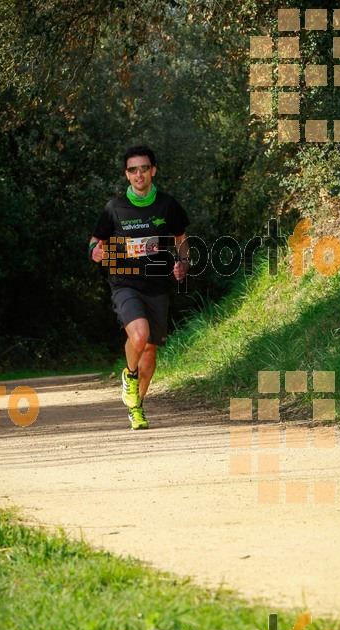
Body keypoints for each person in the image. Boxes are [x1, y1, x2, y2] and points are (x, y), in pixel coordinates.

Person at [88, 146, 190, 430]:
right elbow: (96, 241)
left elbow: (181, 237)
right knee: (140, 335)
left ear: (153, 171)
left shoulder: (168, 205)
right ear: (126, 175)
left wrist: (183, 261)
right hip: (124, 281)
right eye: (133, 170)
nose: (139, 174)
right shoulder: (115, 208)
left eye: (144, 168)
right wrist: (94, 251)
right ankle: (129, 376)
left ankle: (136, 406)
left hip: (157, 284)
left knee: (150, 351)